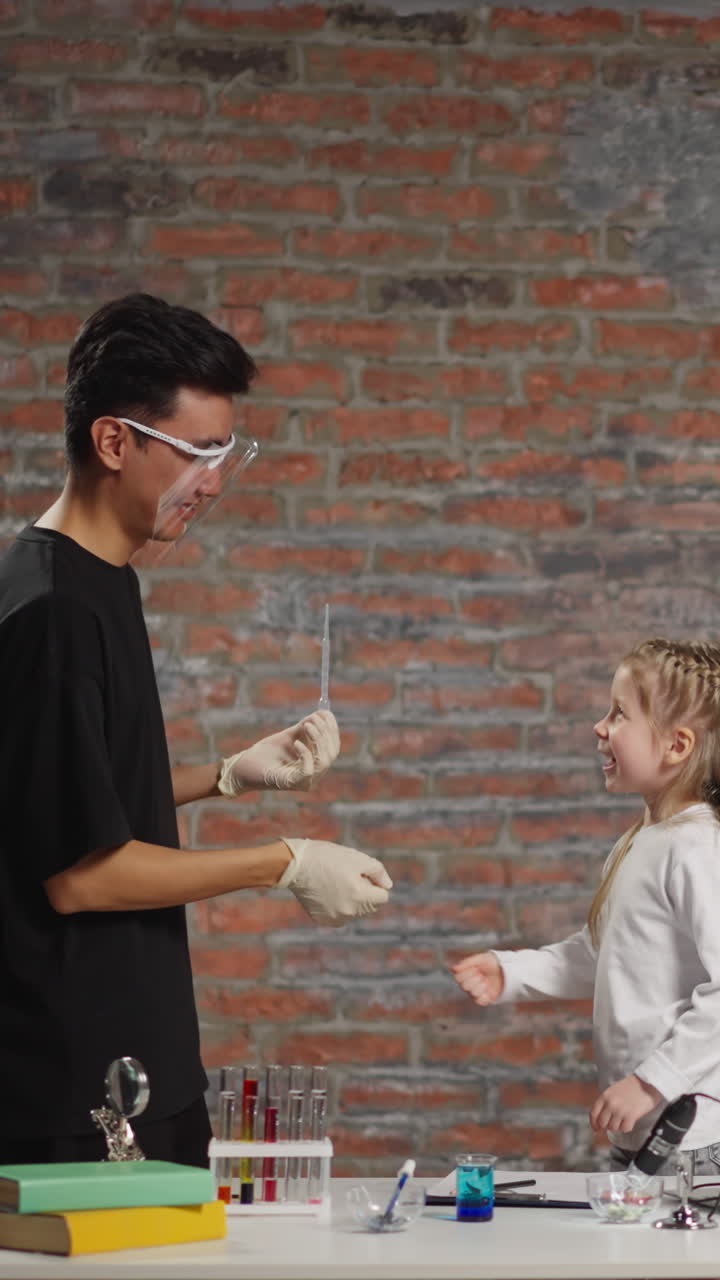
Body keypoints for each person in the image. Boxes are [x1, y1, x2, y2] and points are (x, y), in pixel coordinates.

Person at [0, 294, 392, 1168]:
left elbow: (60, 796)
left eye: (227, 453)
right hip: (76, 1087)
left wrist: (227, 776)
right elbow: (82, 874)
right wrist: (284, 861)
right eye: (196, 453)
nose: (213, 481)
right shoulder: (54, 610)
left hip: (133, 1059)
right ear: (113, 443)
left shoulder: (99, 578)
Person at [453, 638, 720, 1172]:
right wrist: (513, 972)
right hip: (646, 1125)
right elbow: (604, 956)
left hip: (692, 1135)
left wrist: (650, 1082)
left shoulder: (696, 849)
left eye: (619, 714)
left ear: (677, 746)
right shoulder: (640, 841)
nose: (600, 727)